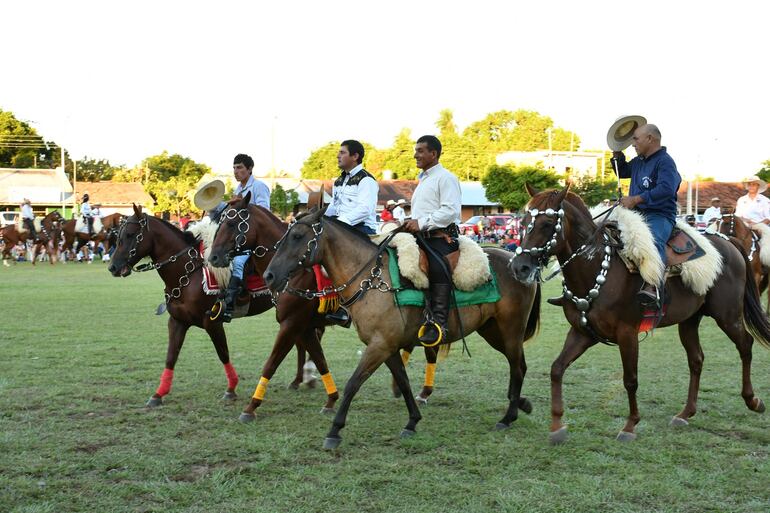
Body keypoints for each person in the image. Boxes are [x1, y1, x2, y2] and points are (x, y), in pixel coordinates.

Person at [611, 123, 681, 307]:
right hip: (635, 214)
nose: (633, 143)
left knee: (652, 240)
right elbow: (623, 171)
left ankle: (654, 286)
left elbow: (667, 189)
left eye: (635, 139)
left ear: (650, 139)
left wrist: (635, 200)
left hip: (659, 215)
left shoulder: (665, 161)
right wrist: (617, 156)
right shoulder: (638, 161)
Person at [403, 135, 462, 345]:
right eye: (416, 150)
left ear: (433, 154)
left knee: (437, 267)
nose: (415, 154)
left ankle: (439, 324)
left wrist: (422, 223)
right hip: (422, 237)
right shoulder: (424, 179)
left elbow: (450, 210)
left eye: (420, 150)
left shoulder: (446, 178)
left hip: (441, 238)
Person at [323, 140, 379, 327]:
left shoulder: (366, 180)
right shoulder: (339, 180)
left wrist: (339, 224)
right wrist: (315, 217)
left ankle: (344, 308)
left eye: (342, 152)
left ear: (355, 156)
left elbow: (365, 209)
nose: (338, 156)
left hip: (360, 230)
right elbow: (334, 207)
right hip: (341, 229)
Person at [222, 154, 271, 323]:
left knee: (239, 262)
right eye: (234, 168)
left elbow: (265, 212)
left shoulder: (259, 186)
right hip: (240, 238)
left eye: (240, 167)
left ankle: (230, 304)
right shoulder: (238, 189)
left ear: (250, 169)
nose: (236, 171)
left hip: (257, 239)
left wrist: (242, 202)